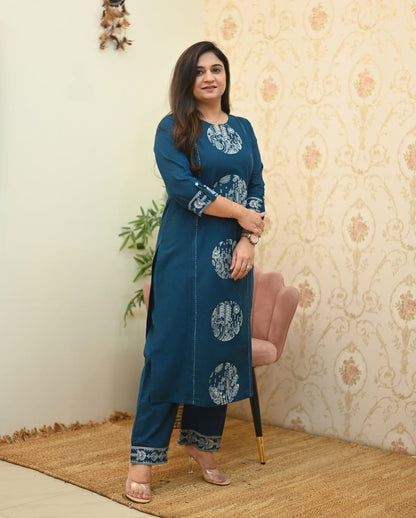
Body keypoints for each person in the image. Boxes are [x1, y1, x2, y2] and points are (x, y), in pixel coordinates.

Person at [125, 40, 266, 504]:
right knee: (168, 352)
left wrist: (248, 239)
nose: (209, 77)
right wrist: (241, 215)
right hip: (185, 257)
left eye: (216, 69)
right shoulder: (173, 128)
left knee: (218, 353)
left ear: (226, 76)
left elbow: (256, 184)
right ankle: (143, 459)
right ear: (187, 80)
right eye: (199, 71)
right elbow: (185, 189)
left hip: (232, 263)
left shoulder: (243, 128)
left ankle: (201, 446)